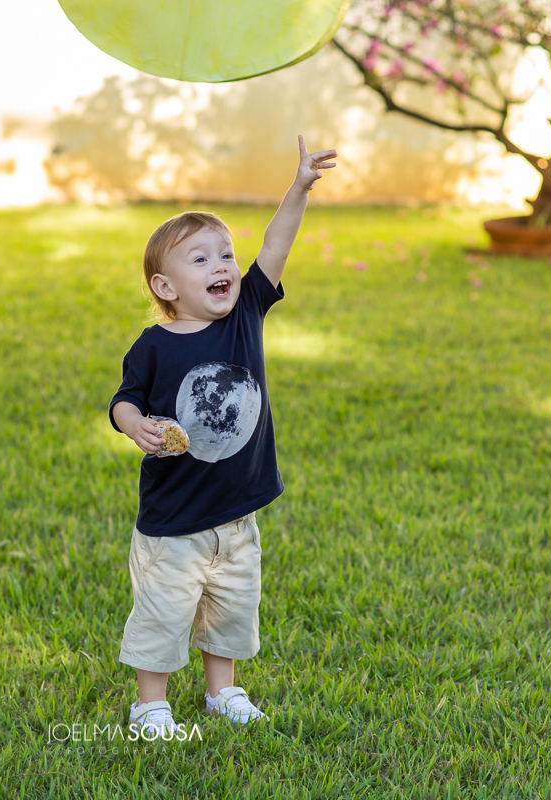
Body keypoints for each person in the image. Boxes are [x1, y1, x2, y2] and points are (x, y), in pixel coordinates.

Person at [109, 135, 338, 736]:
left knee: (232, 609)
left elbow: (276, 244)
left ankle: (222, 692)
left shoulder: (245, 314)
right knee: (164, 614)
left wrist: (300, 187)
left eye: (226, 255)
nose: (223, 268)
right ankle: (150, 704)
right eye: (202, 259)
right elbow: (123, 402)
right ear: (166, 287)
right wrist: (136, 427)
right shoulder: (153, 345)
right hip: (174, 521)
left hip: (237, 513)